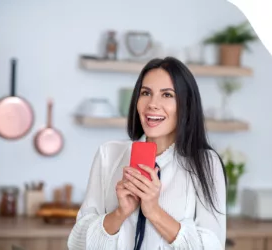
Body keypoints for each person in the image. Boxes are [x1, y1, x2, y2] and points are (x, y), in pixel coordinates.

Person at [67, 57, 227, 250]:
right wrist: (120, 213)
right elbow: (77, 244)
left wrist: (154, 211)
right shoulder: (108, 154)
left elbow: (212, 247)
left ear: (186, 105)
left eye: (167, 95)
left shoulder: (205, 164)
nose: (152, 104)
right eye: (146, 93)